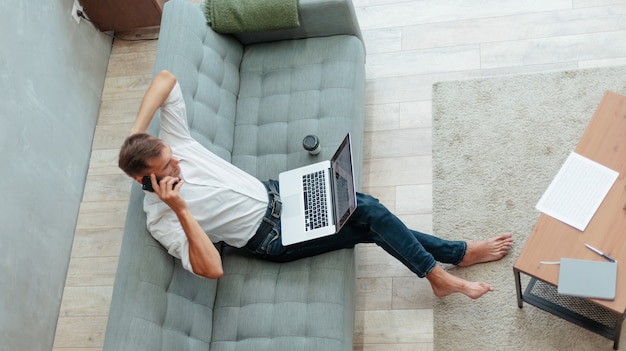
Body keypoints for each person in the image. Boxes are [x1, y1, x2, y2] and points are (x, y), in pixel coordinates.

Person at [119, 70, 513, 299]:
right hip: (274, 237)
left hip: (280, 191)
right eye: (167, 165)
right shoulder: (161, 219)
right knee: (368, 213)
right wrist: (182, 209)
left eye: (171, 153)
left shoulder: (177, 146)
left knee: (367, 217)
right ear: (145, 178)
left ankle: (454, 258)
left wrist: (134, 134)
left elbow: (166, 79)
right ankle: (442, 271)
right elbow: (211, 269)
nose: (178, 160)